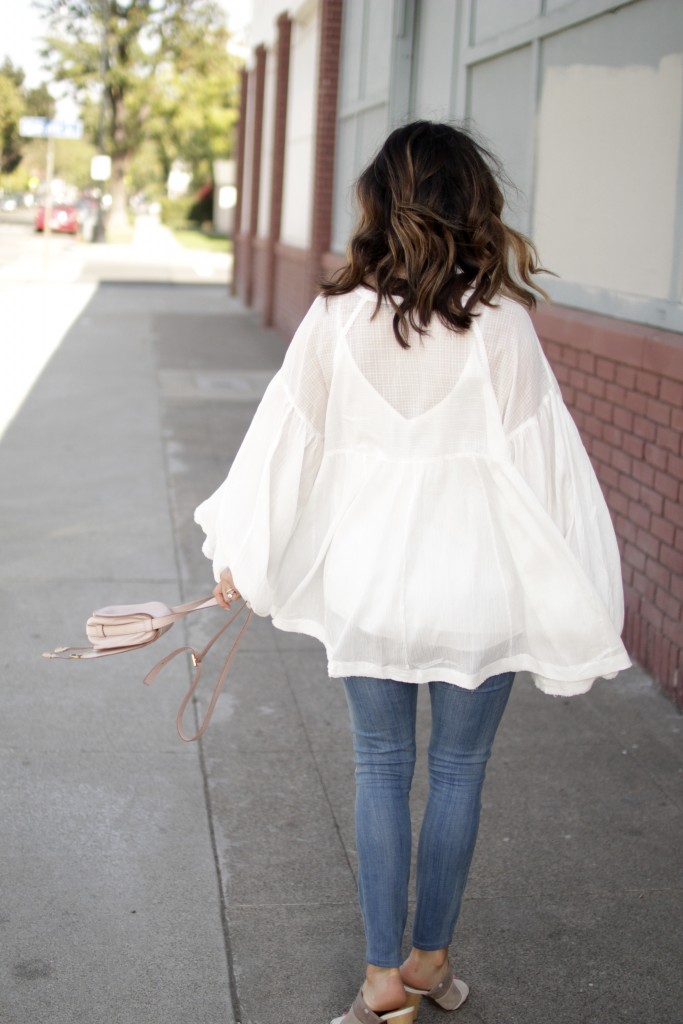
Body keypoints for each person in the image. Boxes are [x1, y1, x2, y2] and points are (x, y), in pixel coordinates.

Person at [194, 121, 631, 1024]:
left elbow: (284, 446)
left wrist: (240, 547)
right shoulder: (503, 323)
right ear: (472, 203)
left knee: (379, 766)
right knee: (460, 769)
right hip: (480, 580)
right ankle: (432, 962)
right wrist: (582, 589)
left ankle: (381, 984)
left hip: (370, 579)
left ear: (382, 204)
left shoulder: (334, 315)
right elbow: (549, 472)